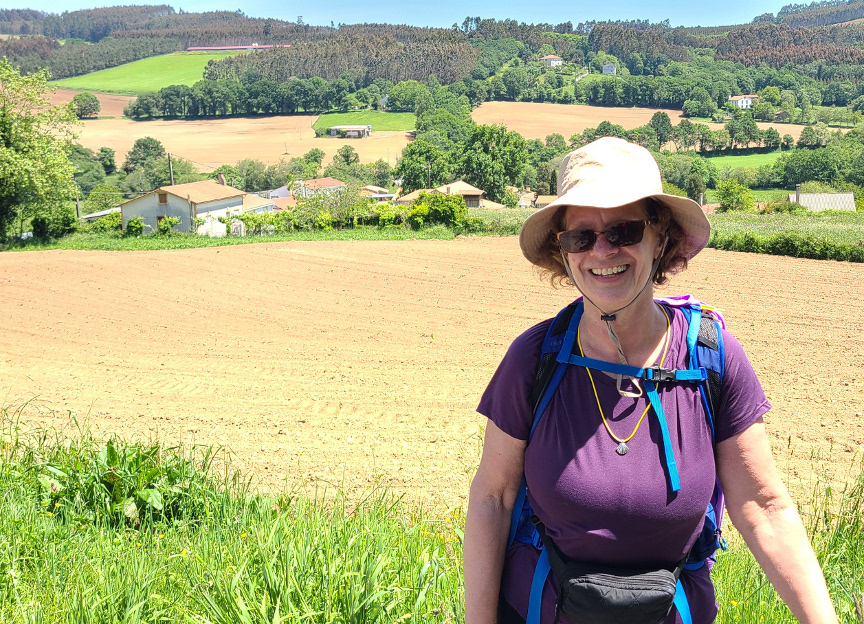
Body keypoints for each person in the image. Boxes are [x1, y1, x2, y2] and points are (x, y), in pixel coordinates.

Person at [463, 137, 838, 624]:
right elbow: (492, 499)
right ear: (563, 250)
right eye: (581, 237)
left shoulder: (712, 358)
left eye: (623, 230)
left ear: (660, 237)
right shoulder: (535, 359)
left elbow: (763, 506)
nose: (602, 250)